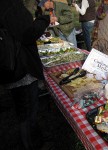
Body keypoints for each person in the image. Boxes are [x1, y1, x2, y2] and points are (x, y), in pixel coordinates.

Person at [0, 0, 57, 149]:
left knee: (24, 110)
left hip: (14, 66)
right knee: (27, 111)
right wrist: (45, 19)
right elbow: (27, 34)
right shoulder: (10, 5)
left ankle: (31, 140)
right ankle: (31, 144)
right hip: (21, 68)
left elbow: (18, 29)